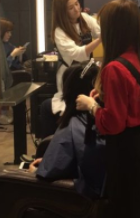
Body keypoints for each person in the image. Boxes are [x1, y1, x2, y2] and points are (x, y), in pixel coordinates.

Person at [76, 0, 140, 217]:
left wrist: (92, 106)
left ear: (113, 30)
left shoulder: (114, 69)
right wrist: (105, 96)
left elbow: (113, 124)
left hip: (127, 155)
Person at [30, 63, 106, 198]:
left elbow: (47, 175)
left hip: (84, 201)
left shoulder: (72, 125)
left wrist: (35, 171)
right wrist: (51, 159)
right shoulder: (106, 120)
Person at [39, 0, 101, 139]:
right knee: (68, 106)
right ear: (62, 12)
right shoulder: (59, 32)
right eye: (71, 7)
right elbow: (77, 54)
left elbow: (99, 31)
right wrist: (100, 40)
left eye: (77, 4)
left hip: (88, 71)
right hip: (70, 75)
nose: (77, 9)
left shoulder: (84, 18)